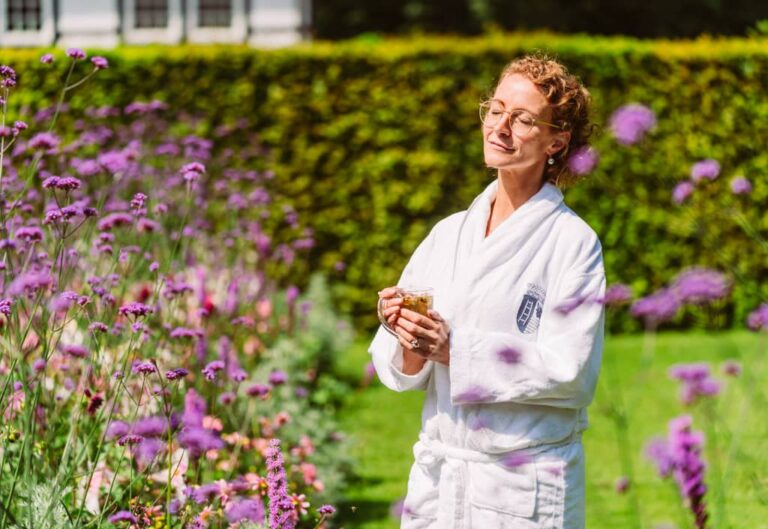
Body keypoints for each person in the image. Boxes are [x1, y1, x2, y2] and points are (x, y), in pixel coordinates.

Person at [370, 54, 606, 529]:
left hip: (522, 489)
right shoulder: (449, 233)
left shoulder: (572, 243)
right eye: (495, 110)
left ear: (556, 142)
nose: (500, 126)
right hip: (442, 482)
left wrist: (455, 349)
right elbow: (408, 364)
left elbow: (573, 371)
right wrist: (406, 331)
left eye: (522, 119)